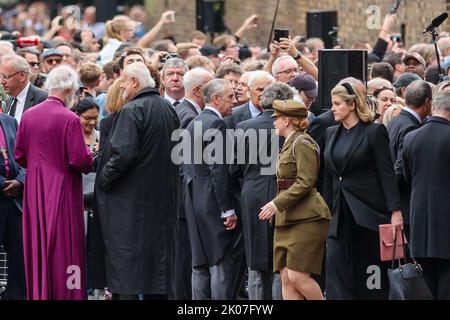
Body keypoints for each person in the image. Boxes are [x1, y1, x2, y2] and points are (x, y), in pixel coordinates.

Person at [96, 63, 179, 300]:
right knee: (157, 274)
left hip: (129, 205)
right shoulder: (167, 108)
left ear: (134, 81)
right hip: (161, 202)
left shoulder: (132, 110)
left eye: (123, 80)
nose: (120, 85)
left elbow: (122, 154)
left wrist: (103, 180)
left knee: (127, 272)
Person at [14, 65, 93, 300]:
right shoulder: (69, 118)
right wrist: (91, 153)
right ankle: (69, 293)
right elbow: (80, 160)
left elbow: (20, 155)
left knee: (37, 246)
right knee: (67, 247)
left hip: (35, 188)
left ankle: (40, 294)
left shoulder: (29, 115)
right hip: (63, 188)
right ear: (69, 88)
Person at [324, 81, 402, 300]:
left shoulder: (374, 132)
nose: (333, 108)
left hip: (368, 214)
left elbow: (387, 174)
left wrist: (395, 211)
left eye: (337, 104)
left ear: (352, 105)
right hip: (339, 215)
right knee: (337, 272)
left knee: (370, 275)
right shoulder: (331, 133)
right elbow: (328, 178)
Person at [259, 99, 330, 300]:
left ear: (287, 120)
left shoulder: (303, 142)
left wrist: (276, 204)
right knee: (286, 278)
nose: (273, 122)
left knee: (298, 276)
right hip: (287, 217)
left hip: (307, 216)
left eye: (277, 118)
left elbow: (306, 181)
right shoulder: (290, 142)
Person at [231, 83, 293, 300]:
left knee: (255, 261)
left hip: (252, 193)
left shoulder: (243, 127)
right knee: (280, 261)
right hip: (284, 194)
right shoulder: (291, 128)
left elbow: (233, 168)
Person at [183, 79, 238, 300]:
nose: (233, 102)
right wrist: (227, 209)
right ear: (216, 99)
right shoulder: (217, 124)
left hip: (192, 198)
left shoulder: (192, 123)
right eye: (230, 97)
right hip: (211, 202)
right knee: (219, 260)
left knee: (200, 262)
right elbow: (218, 170)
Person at [402, 91, 450, 300]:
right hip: (447, 224)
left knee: (427, 285)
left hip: (419, 224)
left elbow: (406, 175)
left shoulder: (411, 137)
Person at [173, 67, 213, 300]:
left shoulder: (182, 110)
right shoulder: (190, 116)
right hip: (185, 197)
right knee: (185, 260)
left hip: (180, 197)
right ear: (199, 90)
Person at [387, 81, 432, 239]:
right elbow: (400, 169)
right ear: (427, 102)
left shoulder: (395, 121)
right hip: (405, 205)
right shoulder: (411, 128)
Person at [0, 112, 26, 300]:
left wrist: (20, 181)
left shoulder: (10, 121)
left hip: (14, 201)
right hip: (3, 192)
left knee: (18, 260)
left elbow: (25, 156)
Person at [0, 54, 47, 123]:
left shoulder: (42, 99)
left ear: (22, 76)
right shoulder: (9, 100)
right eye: (0, 76)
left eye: (6, 77)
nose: (2, 81)